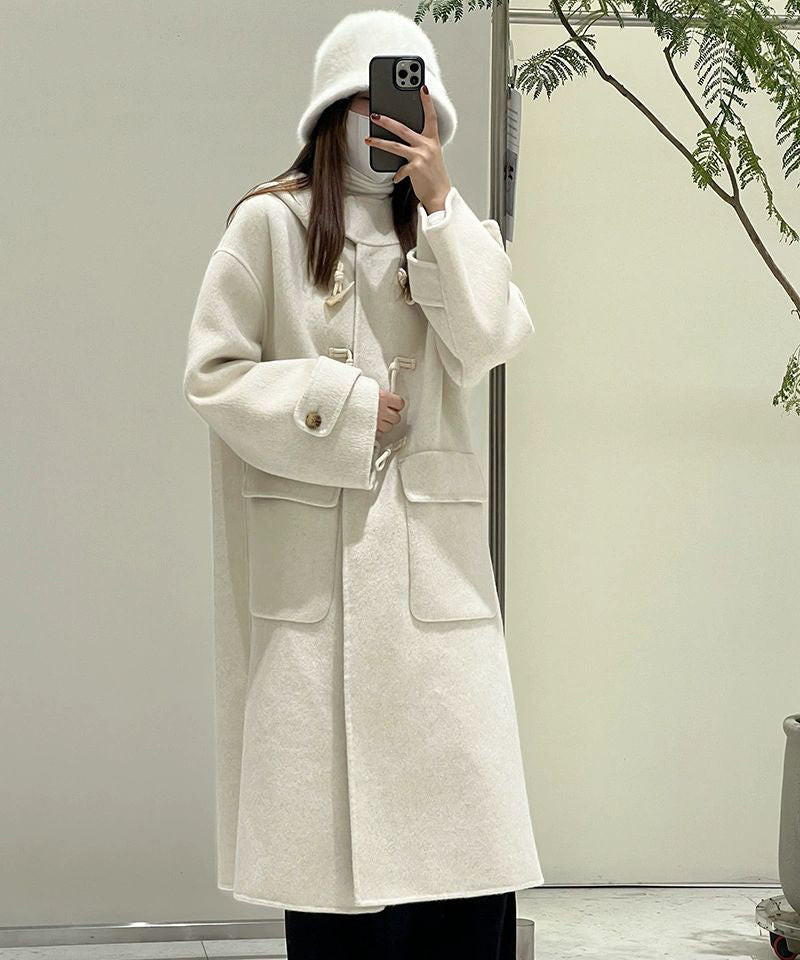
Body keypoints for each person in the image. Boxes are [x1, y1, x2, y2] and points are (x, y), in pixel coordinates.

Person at [182, 9, 544, 959]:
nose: (391, 120)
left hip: (438, 597)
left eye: (412, 104)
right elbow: (212, 375)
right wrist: (335, 407)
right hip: (318, 600)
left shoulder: (452, 232)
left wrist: (443, 200)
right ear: (332, 109)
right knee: (336, 887)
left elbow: (491, 341)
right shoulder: (271, 224)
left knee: (462, 868)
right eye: (371, 101)